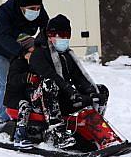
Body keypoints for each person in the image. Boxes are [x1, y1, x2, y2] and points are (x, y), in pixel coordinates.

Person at [13, 14, 109, 149]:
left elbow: (79, 76)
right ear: (50, 35)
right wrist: (72, 93)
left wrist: (91, 93)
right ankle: (57, 132)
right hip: (38, 100)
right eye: (59, 35)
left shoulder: (67, 55)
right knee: (49, 83)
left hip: (62, 97)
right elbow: (52, 76)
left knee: (101, 90)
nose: (63, 39)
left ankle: (93, 130)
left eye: (66, 35)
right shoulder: (38, 54)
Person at [0, 0, 49, 130]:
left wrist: (43, 46)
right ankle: (4, 121)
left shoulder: (38, 10)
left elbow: (45, 29)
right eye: (32, 8)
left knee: (2, 86)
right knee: (8, 83)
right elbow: (3, 37)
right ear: (21, 7)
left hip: (17, 48)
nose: (36, 11)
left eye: (38, 8)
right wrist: (24, 53)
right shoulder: (5, 11)